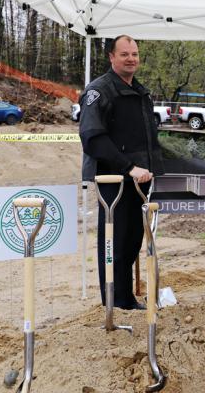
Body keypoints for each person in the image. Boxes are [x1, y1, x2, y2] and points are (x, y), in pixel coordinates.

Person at [79, 35, 164, 310]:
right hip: (113, 180)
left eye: (135, 54)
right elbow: (93, 138)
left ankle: (126, 298)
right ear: (111, 57)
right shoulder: (100, 91)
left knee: (131, 242)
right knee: (113, 244)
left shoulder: (140, 92)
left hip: (140, 181)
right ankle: (114, 303)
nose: (131, 59)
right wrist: (128, 167)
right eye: (125, 54)